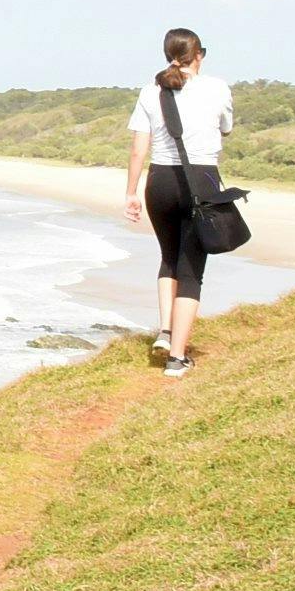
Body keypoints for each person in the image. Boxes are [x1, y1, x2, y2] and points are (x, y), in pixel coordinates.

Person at [123, 27, 233, 378]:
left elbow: (139, 147)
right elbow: (227, 128)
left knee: (168, 257)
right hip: (201, 179)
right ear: (199, 54)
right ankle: (176, 358)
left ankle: (166, 331)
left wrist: (131, 193)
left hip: (160, 181)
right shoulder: (217, 88)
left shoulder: (149, 91)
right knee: (191, 271)